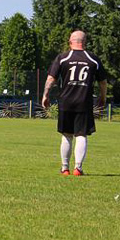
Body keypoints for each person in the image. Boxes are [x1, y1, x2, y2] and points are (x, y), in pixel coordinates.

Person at [42, 30, 107, 176]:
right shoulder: (93, 59)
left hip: (66, 101)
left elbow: (50, 79)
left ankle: (65, 168)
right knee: (81, 135)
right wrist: (103, 97)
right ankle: (78, 168)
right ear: (84, 42)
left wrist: (45, 95)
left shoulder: (63, 58)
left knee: (66, 135)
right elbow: (103, 82)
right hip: (84, 102)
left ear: (70, 42)